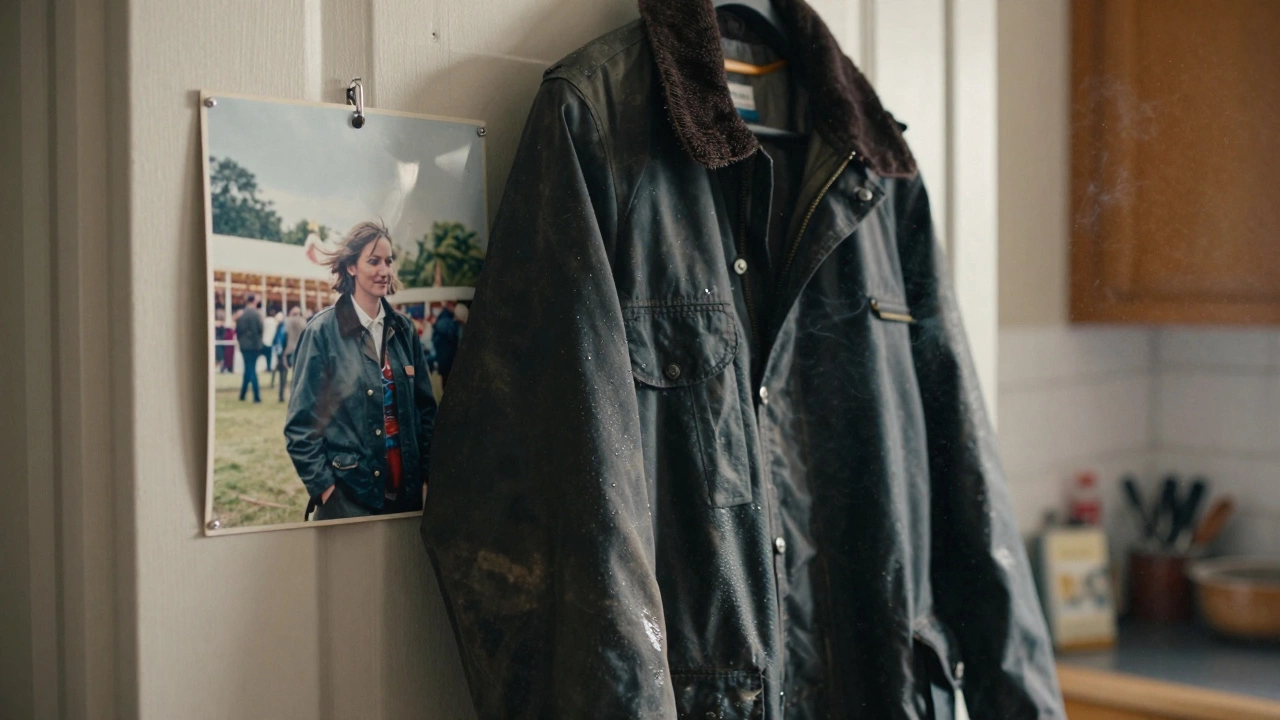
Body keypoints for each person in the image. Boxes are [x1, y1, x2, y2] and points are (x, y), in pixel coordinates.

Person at [284, 221, 437, 520]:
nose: (384, 270)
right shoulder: (322, 332)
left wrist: (429, 477)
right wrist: (328, 490)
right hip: (350, 500)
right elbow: (301, 427)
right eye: (374, 261)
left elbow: (426, 413)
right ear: (351, 267)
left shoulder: (404, 330)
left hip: (408, 496)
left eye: (388, 261)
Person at [234, 293, 264, 402]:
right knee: (251, 369)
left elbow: (238, 330)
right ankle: (256, 395)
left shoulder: (242, 314)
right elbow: (260, 330)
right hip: (254, 346)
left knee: (248, 368)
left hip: (244, 346)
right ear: (254, 301)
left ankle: (242, 394)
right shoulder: (256, 315)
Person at [278, 306, 305, 402]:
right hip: (300, 350)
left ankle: (281, 395)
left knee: (283, 374)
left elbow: (282, 337)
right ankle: (296, 396)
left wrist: (282, 350)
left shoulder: (286, 322)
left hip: (288, 350)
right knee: (297, 375)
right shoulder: (304, 322)